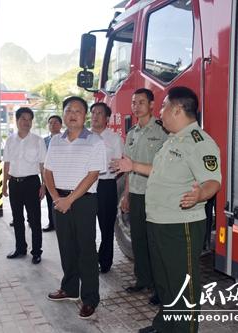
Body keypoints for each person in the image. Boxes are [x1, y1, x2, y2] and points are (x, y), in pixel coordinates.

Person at [111, 87, 221, 333]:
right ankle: (165, 325)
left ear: (177, 110)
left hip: (180, 224)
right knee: (164, 280)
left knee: (182, 283)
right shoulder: (174, 139)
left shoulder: (199, 142)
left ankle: (185, 329)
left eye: (163, 107)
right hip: (158, 221)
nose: (160, 112)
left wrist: (199, 195)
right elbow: (159, 171)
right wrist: (133, 165)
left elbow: (212, 181)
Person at [44, 96, 107, 319]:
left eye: (78, 111)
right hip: (59, 200)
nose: (73, 114)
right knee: (66, 247)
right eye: (69, 110)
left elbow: (92, 175)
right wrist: (54, 196)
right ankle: (70, 289)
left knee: (86, 251)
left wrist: (69, 200)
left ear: (85, 116)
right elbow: (48, 171)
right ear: (64, 114)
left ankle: (90, 298)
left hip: (83, 201)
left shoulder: (95, 141)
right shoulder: (55, 141)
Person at [121, 88, 168, 305]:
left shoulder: (162, 131)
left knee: (156, 243)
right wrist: (127, 195)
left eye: (141, 102)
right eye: (133, 102)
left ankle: (161, 288)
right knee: (138, 240)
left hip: (157, 194)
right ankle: (143, 280)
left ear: (151, 105)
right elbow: (129, 167)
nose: (136, 106)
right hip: (137, 193)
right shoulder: (131, 134)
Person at [3, 107, 46, 265]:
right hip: (14, 183)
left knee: (34, 220)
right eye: (23, 119)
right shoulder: (10, 140)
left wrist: (44, 185)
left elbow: (43, 165)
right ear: (17, 120)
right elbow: (6, 163)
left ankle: (36, 252)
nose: (26, 122)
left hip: (32, 183)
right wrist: (4, 185)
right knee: (17, 218)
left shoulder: (37, 140)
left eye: (29, 119)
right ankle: (20, 248)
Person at [90, 102, 123, 273]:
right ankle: (89, 259)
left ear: (107, 118)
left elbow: (118, 165)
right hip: (86, 186)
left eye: (99, 113)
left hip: (106, 185)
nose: (95, 116)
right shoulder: (84, 137)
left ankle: (105, 261)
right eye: (93, 112)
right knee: (86, 227)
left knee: (106, 226)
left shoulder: (114, 138)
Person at [42, 115, 63, 232]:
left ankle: (60, 223)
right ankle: (52, 223)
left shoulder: (65, 139)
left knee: (61, 198)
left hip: (60, 176)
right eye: (50, 123)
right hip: (48, 175)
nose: (53, 125)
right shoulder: (44, 141)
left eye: (55, 123)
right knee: (50, 200)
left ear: (60, 125)